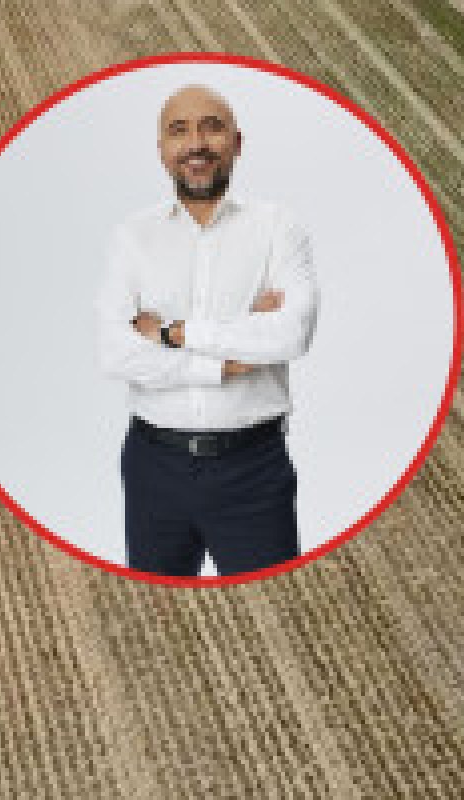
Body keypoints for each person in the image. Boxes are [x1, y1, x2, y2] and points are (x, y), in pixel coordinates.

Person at [96, 84, 320, 578]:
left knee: (275, 612)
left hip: (252, 471)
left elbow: (291, 336)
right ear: (162, 150)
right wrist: (227, 361)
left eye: (212, 128)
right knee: (157, 615)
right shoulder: (133, 237)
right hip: (153, 468)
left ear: (237, 143)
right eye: (179, 131)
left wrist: (173, 334)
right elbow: (114, 352)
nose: (196, 143)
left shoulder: (278, 228)